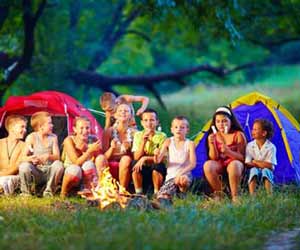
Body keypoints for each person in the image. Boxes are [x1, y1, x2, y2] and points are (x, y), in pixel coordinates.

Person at [203, 106, 246, 202]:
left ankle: (235, 196)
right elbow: (213, 157)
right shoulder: (213, 136)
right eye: (218, 122)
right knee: (208, 166)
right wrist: (212, 144)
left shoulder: (238, 135)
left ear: (231, 121)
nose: (221, 124)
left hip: (235, 163)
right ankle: (221, 193)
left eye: (224, 121)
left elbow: (242, 158)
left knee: (234, 165)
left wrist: (228, 152)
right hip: (220, 163)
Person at [19, 111, 64, 197]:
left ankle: (48, 191)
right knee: (24, 166)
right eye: (50, 123)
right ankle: (26, 193)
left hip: (50, 172)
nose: (52, 125)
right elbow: (22, 158)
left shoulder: (53, 137)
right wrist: (31, 159)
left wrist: (48, 156)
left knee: (59, 164)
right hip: (37, 172)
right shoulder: (31, 137)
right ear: (41, 127)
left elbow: (57, 157)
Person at [154, 116, 196, 201]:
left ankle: (182, 193)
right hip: (171, 176)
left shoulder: (190, 144)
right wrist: (156, 154)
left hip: (184, 175)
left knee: (182, 180)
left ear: (187, 130)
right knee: (163, 197)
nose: (178, 129)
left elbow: (193, 164)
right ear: (172, 129)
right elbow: (158, 160)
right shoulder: (168, 141)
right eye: (176, 127)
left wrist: (180, 173)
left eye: (182, 127)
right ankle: (173, 195)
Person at [95, 103, 135, 190]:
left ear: (131, 115)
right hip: (109, 162)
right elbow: (105, 156)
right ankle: (104, 188)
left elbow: (135, 156)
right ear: (115, 115)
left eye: (126, 111)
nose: (123, 113)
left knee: (125, 159)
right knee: (99, 158)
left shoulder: (134, 133)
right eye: (120, 111)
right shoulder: (108, 132)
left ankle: (122, 190)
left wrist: (129, 148)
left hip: (126, 164)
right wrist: (112, 148)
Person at [60, 116, 102, 198]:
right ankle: (63, 192)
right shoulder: (69, 140)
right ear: (75, 129)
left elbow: (99, 159)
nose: (85, 131)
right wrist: (89, 151)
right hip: (72, 172)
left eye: (87, 128)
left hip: (87, 174)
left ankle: (87, 190)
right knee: (75, 169)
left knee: (89, 164)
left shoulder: (93, 139)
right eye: (81, 128)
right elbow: (76, 162)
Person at [131, 109, 166, 195]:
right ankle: (139, 193)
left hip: (155, 167)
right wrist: (143, 142)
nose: (149, 123)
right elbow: (136, 157)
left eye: (152, 120)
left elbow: (161, 158)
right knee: (135, 163)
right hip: (143, 168)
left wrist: (145, 158)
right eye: (146, 120)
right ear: (142, 123)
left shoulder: (162, 136)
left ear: (157, 122)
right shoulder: (138, 135)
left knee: (157, 166)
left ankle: (157, 193)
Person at [245, 119, 277, 195]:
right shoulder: (249, 145)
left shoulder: (271, 147)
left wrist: (255, 162)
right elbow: (247, 163)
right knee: (253, 170)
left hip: (266, 170)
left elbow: (271, 166)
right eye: (253, 129)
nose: (252, 131)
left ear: (264, 133)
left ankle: (269, 194)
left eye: (255, 129)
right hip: (254, 170)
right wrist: (262, 164)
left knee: (266, 171)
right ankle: (252, 195)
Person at [0, 115, 27, 195]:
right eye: (22, 127)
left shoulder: (25, 146)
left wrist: (2, 174)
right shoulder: (0, 143)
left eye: (25, 127)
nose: (25, 130)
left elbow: (17, 167)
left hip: (13, 177)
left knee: (4, 181)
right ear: (12, 128)